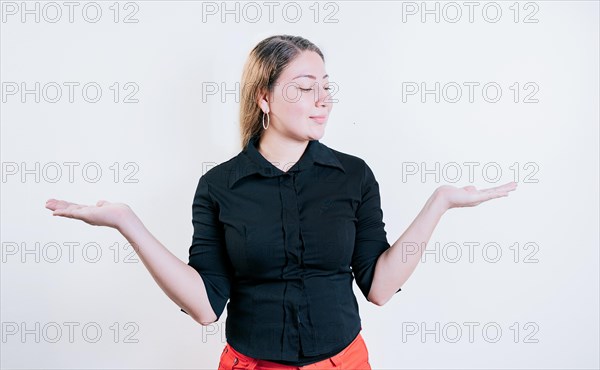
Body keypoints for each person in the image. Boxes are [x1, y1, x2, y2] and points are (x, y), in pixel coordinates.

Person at [45, 35, 518, 369]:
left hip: (342, 364)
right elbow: (207, 306)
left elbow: (378, 285)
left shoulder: (353, 176)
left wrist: (440, 204)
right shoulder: (217, 186)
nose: (323, 99)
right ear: (264, 97)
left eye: (326, 86)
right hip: (250, 364)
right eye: (305, 87)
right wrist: (128, 223)